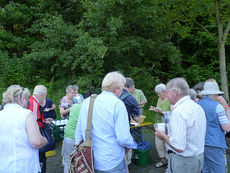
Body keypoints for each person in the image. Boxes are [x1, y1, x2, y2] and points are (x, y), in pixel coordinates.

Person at [75, 71, 137, 173]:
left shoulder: (87, 102)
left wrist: (78, 149)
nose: (122, 92)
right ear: (116, 88)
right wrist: (131, 145)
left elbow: (79, 129)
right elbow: (123, 138)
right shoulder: (117, 104)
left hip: (89, 161)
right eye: (122, 89)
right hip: (111, 161)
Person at [155, 78, 206, 173]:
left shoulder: (178, 111)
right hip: (198, 159)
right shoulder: (197, 107)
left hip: (183, 162)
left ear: (175, 92)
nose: (166, 96)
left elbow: (179, 147)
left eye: (167, 92)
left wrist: (163, 136)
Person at [0, 85, 47, 173]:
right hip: (24, 166)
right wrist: (44, 140)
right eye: (27, 98)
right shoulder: (26, 114)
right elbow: (36, 142)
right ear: (22, 98)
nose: (28, 102)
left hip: (3, 166)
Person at [198, 80, 230, 173]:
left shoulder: (197, 104)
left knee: (205, 170)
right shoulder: (218, 107)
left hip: (200, 143)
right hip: (215, 144)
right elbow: (227, 128)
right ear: (216, 94)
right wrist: (227, 109)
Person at [28, 85, 53, 173]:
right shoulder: (34, 103)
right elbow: (33, 123)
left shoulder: (31, 101)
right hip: (36, 137)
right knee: (41, 160)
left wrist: (44, 121)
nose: (44, 99)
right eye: (45, 96)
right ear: (42, 95)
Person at [120, 78, 140, 172]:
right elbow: (137, 119)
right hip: (124, 129)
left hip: (109, 130)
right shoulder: (131, 99)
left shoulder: (113, 95)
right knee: (125, 157)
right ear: (131, 87)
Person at [149, 83, 170, 170]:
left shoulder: (169, 99)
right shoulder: (159, 98)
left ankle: (170, 162)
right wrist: (155, 109)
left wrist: (162, 112)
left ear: (165, 92)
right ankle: (163, 159)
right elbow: (159, 109)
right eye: (157, 93)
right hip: (158, 123)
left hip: (167, 124)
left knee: (167, 143)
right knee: (158, 143)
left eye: (159, 93)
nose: (158, 95)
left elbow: (172, 113)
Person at [63, 103, 82, 173]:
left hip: (68, 134)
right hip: (78, 138)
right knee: (80, 162)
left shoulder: (75, 106)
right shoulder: (88, 108)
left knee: (67, 161)